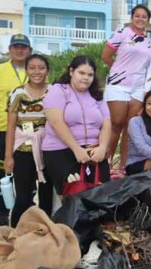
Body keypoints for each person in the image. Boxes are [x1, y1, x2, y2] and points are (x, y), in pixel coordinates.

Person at [42, 56, 111, 194]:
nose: (86, 78)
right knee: (73, 196)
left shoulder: (96, 95)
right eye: (82, 73)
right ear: (71, 71)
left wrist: (102, 148)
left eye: (90, 75)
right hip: (62, 150)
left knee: (101, 195)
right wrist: (76, 149)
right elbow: (56, 122)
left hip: (93, 152)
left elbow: (106, 123)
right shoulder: (59, 90)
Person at [102, 4, 151, 179]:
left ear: (148, 20)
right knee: (116, 123)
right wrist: (117, 71)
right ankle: (105, 162)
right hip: (118, 85)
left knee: (130, 128)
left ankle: (123, 166)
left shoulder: (148, 41)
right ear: (132, 17)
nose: (140, 19)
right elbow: (106, 55)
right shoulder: (121, 32)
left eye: (144, 16)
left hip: (138, 87)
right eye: (137, 15)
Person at [0, 33, 32, 225]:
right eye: (16, 47)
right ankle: (3, 210)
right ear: (10, 50)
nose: (19, 50)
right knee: (2, 172)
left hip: (28, 131)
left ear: (29, 50)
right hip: (4, 130)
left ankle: (27, 208)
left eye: (23, 47)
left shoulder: (34, 68)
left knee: (27, 171)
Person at [3, 54, 53, 227]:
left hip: (47, 149)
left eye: (41, 67)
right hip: (23, 150)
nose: (36, 72)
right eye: (32, 68)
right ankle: (16, 231)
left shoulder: (54, 91)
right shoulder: (17, 94)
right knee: (23, 195)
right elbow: (10, 126)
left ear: (47, 71)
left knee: (46, 194)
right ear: (26, 70)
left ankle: (45, 231)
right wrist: (8, 156)